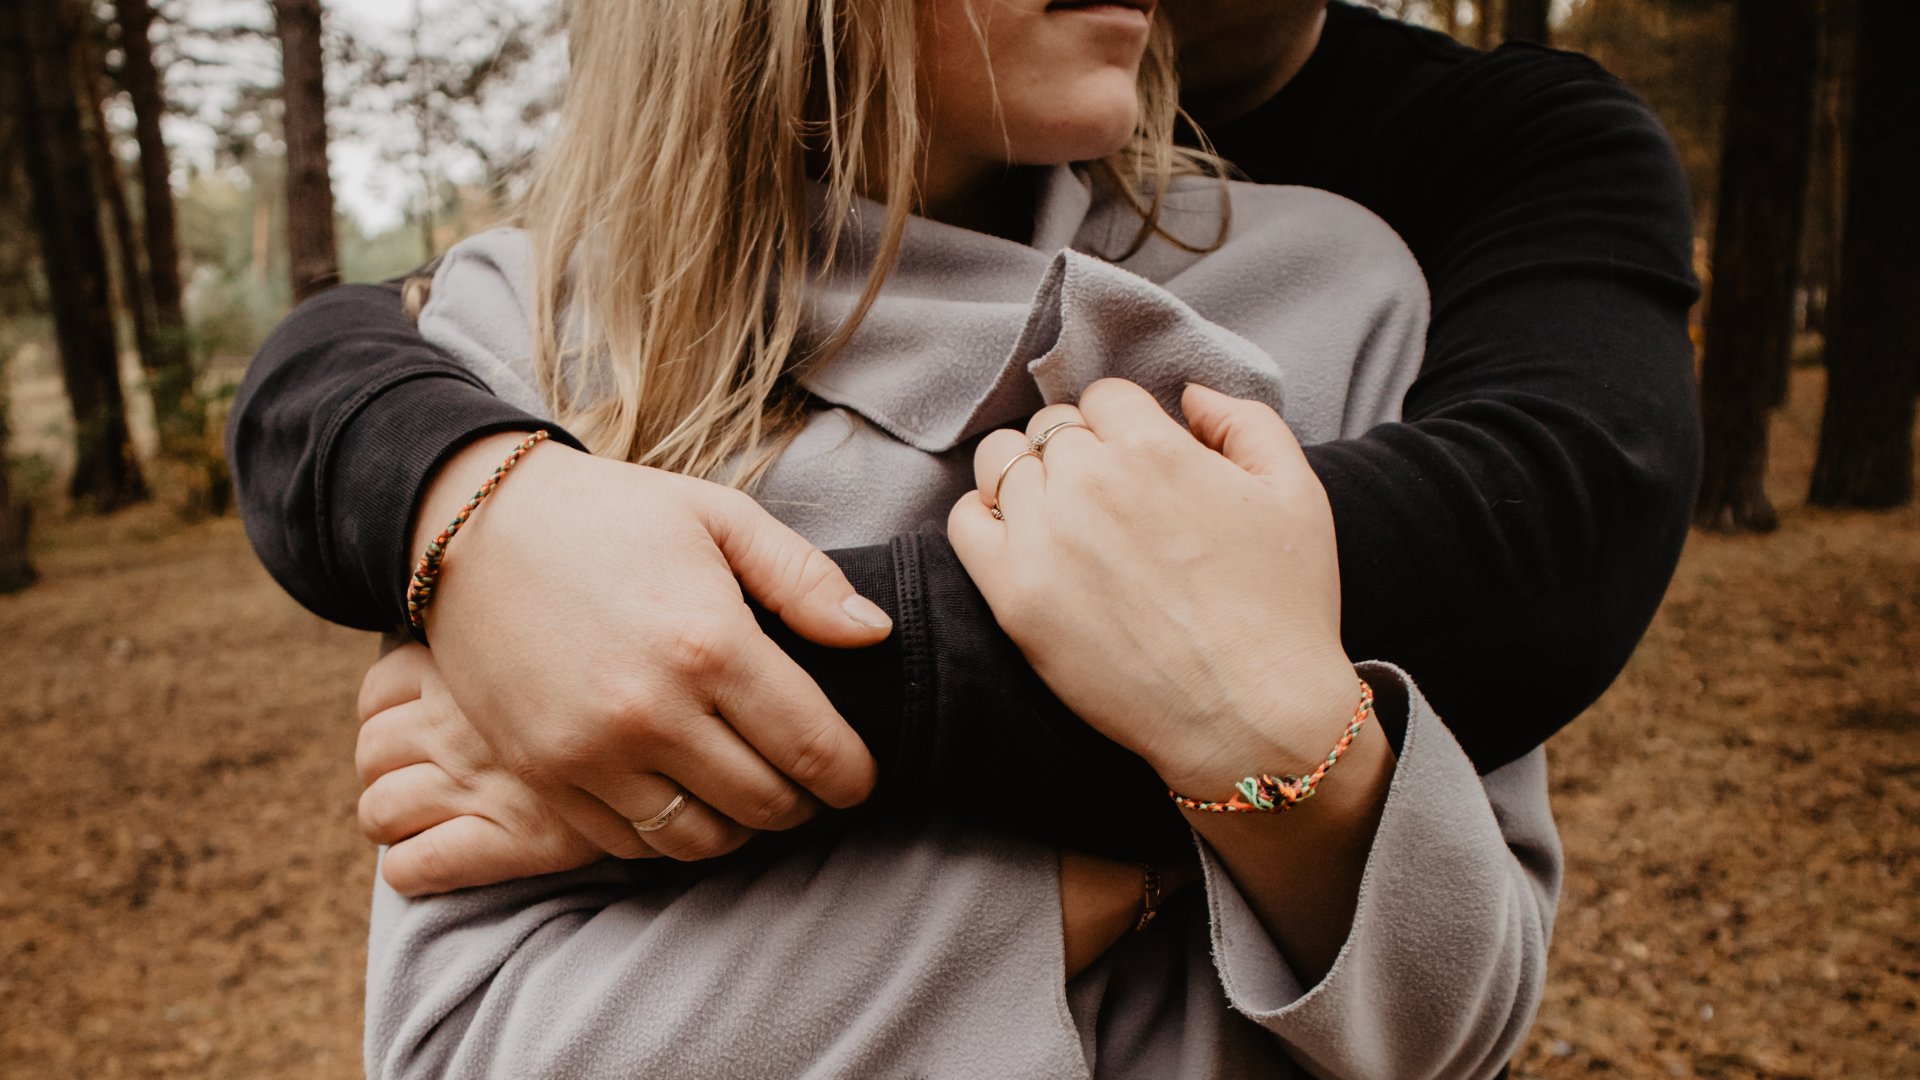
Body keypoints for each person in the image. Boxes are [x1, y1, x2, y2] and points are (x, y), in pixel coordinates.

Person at [318, 0, 1561, 1074]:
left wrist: (753, 822)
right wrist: (1171, 838)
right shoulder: (539, 341)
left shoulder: (1335, 286)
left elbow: (1454, 1023)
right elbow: (469, 1050)